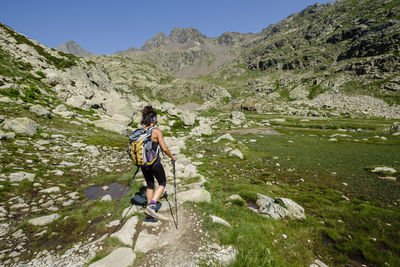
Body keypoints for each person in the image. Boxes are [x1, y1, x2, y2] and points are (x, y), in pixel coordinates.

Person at [140, 106, 176, 219]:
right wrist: (172, 157)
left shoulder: (141, 131)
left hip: (143, 163)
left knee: (150, 185)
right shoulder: (156, 131)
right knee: (162, 183)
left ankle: (148, 209)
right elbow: (164, 149)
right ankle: (151, 206)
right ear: (154, 119)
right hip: (154, 162)